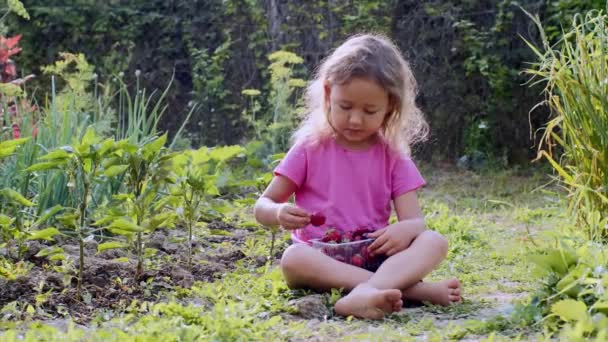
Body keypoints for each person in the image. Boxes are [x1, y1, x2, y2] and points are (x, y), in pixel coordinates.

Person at [254, 33, 461, 320]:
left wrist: (406, 230)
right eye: (345, 106)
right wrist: (278, 212)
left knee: (434, 241)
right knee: (293, 259)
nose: (355, 119)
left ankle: (364, 294)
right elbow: (262, 206)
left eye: (369, 110)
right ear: (328, 94)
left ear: (391, 106)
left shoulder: (393, 157)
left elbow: (416, 221)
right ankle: (412, 291)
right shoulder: (309, 148)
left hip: (375, 256)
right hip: (319, 257)